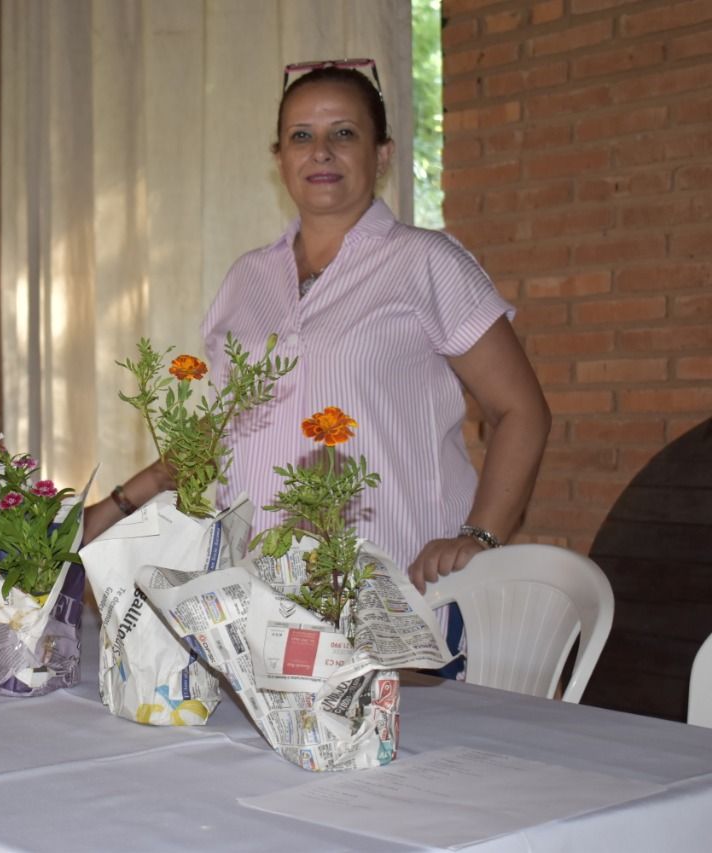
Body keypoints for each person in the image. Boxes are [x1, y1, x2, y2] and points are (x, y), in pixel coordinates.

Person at [83, 60, 550, 606]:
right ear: (280, 159)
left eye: (343, 134)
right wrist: (116, 505)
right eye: (300, 136)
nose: (320, 151)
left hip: (405, 586)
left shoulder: (426, 261)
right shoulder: (247, 279)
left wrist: (480, 537)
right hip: (265, 593)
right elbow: (229, 424)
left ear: (382, 154)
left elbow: (521, 411)